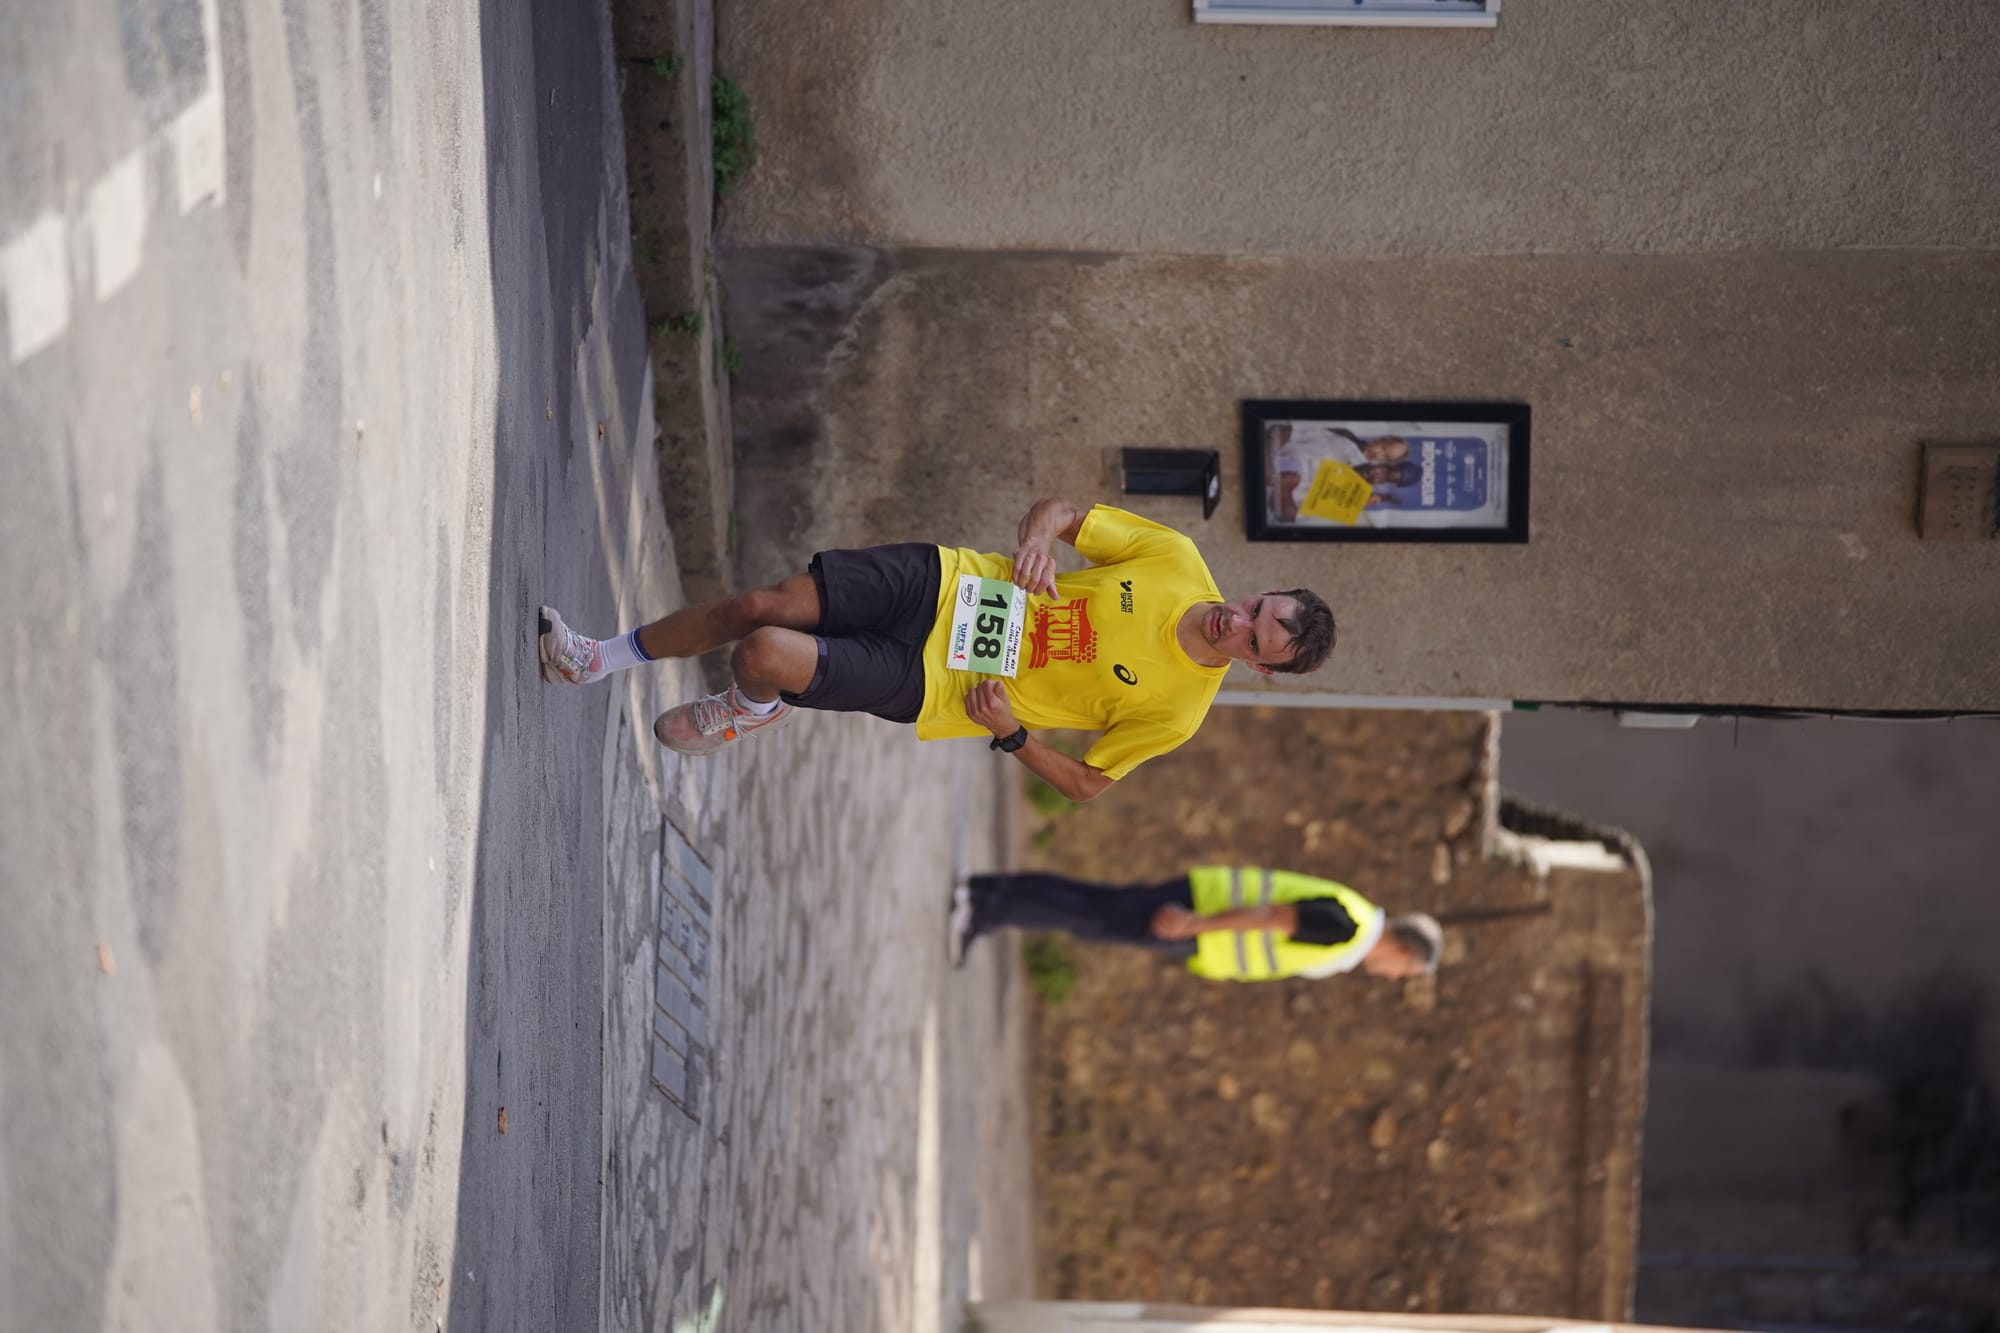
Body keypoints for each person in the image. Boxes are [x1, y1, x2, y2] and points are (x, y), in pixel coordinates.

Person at [538, 498, 1337, 800]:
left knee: (761, 650)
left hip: (940, 683)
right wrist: (1035, 543)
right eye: (1257, 604)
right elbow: (1060, 511)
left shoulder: (1178, 710)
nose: (1238, 619)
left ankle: (749, 708)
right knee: (760, 602)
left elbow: (1090, 784)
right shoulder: (1176, 561)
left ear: (1261, 666)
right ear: (1264, 591)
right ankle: (593, 658)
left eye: (1255, 638)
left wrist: (1013, 736)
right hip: (950, 584)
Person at [945, 864, 1442, 982]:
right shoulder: (1350, 928)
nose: (1395, 977)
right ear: (1402, 953)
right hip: (1197, 918)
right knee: (1086, 915)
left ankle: (986, 896)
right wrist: (1195, 926)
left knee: (1089, 907)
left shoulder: (1353, 919)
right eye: (1405, 972)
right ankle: (984, 906)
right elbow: (1271, 917)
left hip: (1201, 917)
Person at [1269, 422, 1410, 523]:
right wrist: (1268, 461)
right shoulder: (1343, 438)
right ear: (1379, 439)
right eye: (1383, 448)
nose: (1379, 454)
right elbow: (1282, 430)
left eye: (1386, 457)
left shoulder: (1352, 495)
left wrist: (1285, 490)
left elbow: (1288, 516)